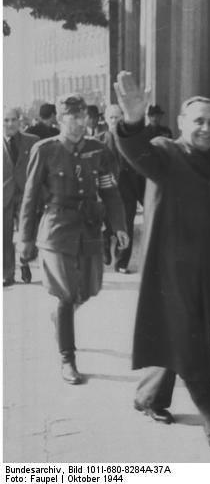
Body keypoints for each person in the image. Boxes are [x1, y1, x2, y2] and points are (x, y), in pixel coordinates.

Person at [113, 71, 210, 450]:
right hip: (170, 271)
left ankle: (149, 398)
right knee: (192, 347)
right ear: (181, 124)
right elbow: (135, 151)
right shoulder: (164, 153)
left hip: (207, 276)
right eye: (198, 122)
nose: (206, 129)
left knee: (182, 338)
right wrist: (131, 121)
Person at [17, 94, 129, 385]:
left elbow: (109, 191)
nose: (78, 123)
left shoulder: (97, 150)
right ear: (59, 119)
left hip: (89, 228)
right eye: (71, 118)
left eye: (83, 118)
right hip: (56, 230)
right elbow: (29, 199)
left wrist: (119, 225)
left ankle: (59, 318)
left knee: (89, 289)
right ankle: (68, 359)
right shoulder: (45, 150)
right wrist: (25, 239)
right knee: (66, 293)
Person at [99, 104, 141, 273]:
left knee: (127, 225)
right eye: (112, 118)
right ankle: (105, 247)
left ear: (123, 118)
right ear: (106, 120)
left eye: (118, 117)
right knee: (106, 224)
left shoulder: (131, 140)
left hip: (127, 190)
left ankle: (122, 262)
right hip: (105, 191)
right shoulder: (98, 140)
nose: (115, 121)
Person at [3, 108, 39, 286]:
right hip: (4, 196)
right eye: (6, 120)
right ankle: (7, 274)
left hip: (26, 195)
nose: (10, 124)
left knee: (28, 234)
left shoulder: (32, 142)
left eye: (13, 120)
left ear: (19, 121)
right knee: (4, 236)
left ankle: (25, 262)